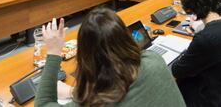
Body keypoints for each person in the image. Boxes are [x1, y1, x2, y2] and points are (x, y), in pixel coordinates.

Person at [35, 8, 185, 107]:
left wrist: (54, 51)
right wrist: (71, 92)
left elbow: (42, 104)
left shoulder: (96, 101)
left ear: (86, 57)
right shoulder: (153, 59)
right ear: (125, 37)